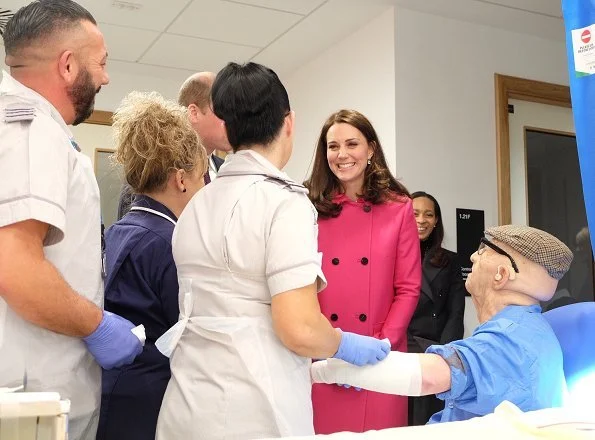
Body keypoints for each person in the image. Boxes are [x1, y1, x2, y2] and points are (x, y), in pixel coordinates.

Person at [156, 62, 390, 440]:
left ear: (227, 129)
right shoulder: (284, 203)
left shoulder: (196, 203)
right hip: (255, 409)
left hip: (187, 405)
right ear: (289, 122)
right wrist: (343, 344)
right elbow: (298, 328)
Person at [0, 2, 142, 439]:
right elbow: (15, 267)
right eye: (100, 64)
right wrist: (99, 326)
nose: (105, 78)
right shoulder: (30, 130)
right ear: (67, 65)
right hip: (34, 398)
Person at [312, 225, 573, 424]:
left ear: (501, 274)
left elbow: (429, 376)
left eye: (483, 250)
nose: (472, 256)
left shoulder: (511, 338)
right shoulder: (526, 329)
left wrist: (326, 369)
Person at [97, 92, 208, 440]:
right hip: (151, 403)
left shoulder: (117, 231)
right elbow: (189, 336)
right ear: (181, 179)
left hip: (108, 389)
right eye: (203, 177)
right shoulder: (172, 244)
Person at [305, 109, 421, 433]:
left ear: (370, 149)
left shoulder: (399, 208)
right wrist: (330, 347)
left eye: (351, 144)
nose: (341, 154)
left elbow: (408, 288)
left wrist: (378, 347)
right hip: (324, 357)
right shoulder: (309, 207)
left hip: (379, 360)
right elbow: (302, 286)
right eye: (332, 146)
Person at [407, 191, 466, 425]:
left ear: (436, 221)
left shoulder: (450, 260)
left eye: (428, 215)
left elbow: (456, 313)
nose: (421, 220)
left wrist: (444, 352)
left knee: (426, 419)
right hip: (400, 347)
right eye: (415, 214)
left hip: (433, 350)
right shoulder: (391, 255)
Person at [178, 71, 233, 183]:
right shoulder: (159, 172)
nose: (233, 119)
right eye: (224, 109)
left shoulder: (228, 173)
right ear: (194, 113)